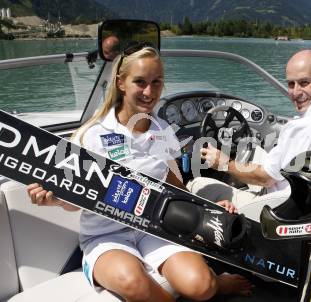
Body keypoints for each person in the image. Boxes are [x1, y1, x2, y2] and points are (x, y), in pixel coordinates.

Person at [27, 45, 252, 301]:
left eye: (156, 82)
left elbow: (173, 184)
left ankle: (218, 283)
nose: (149, 92)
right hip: (106, 234)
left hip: (155, 227)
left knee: (202, 286)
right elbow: (75, 201)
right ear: (121, 82)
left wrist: (208, 207)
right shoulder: (93, 136)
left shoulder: (163, 128)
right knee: (133, 283)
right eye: (140, 82)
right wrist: (55, 199)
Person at [187, 49, 311, 213]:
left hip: (278, 207)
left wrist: (224, 163)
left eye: (304, 83)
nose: (294, 92)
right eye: (291, 84)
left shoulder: (301, 128)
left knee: (197, 183)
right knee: (252, 149)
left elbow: (265, 179)